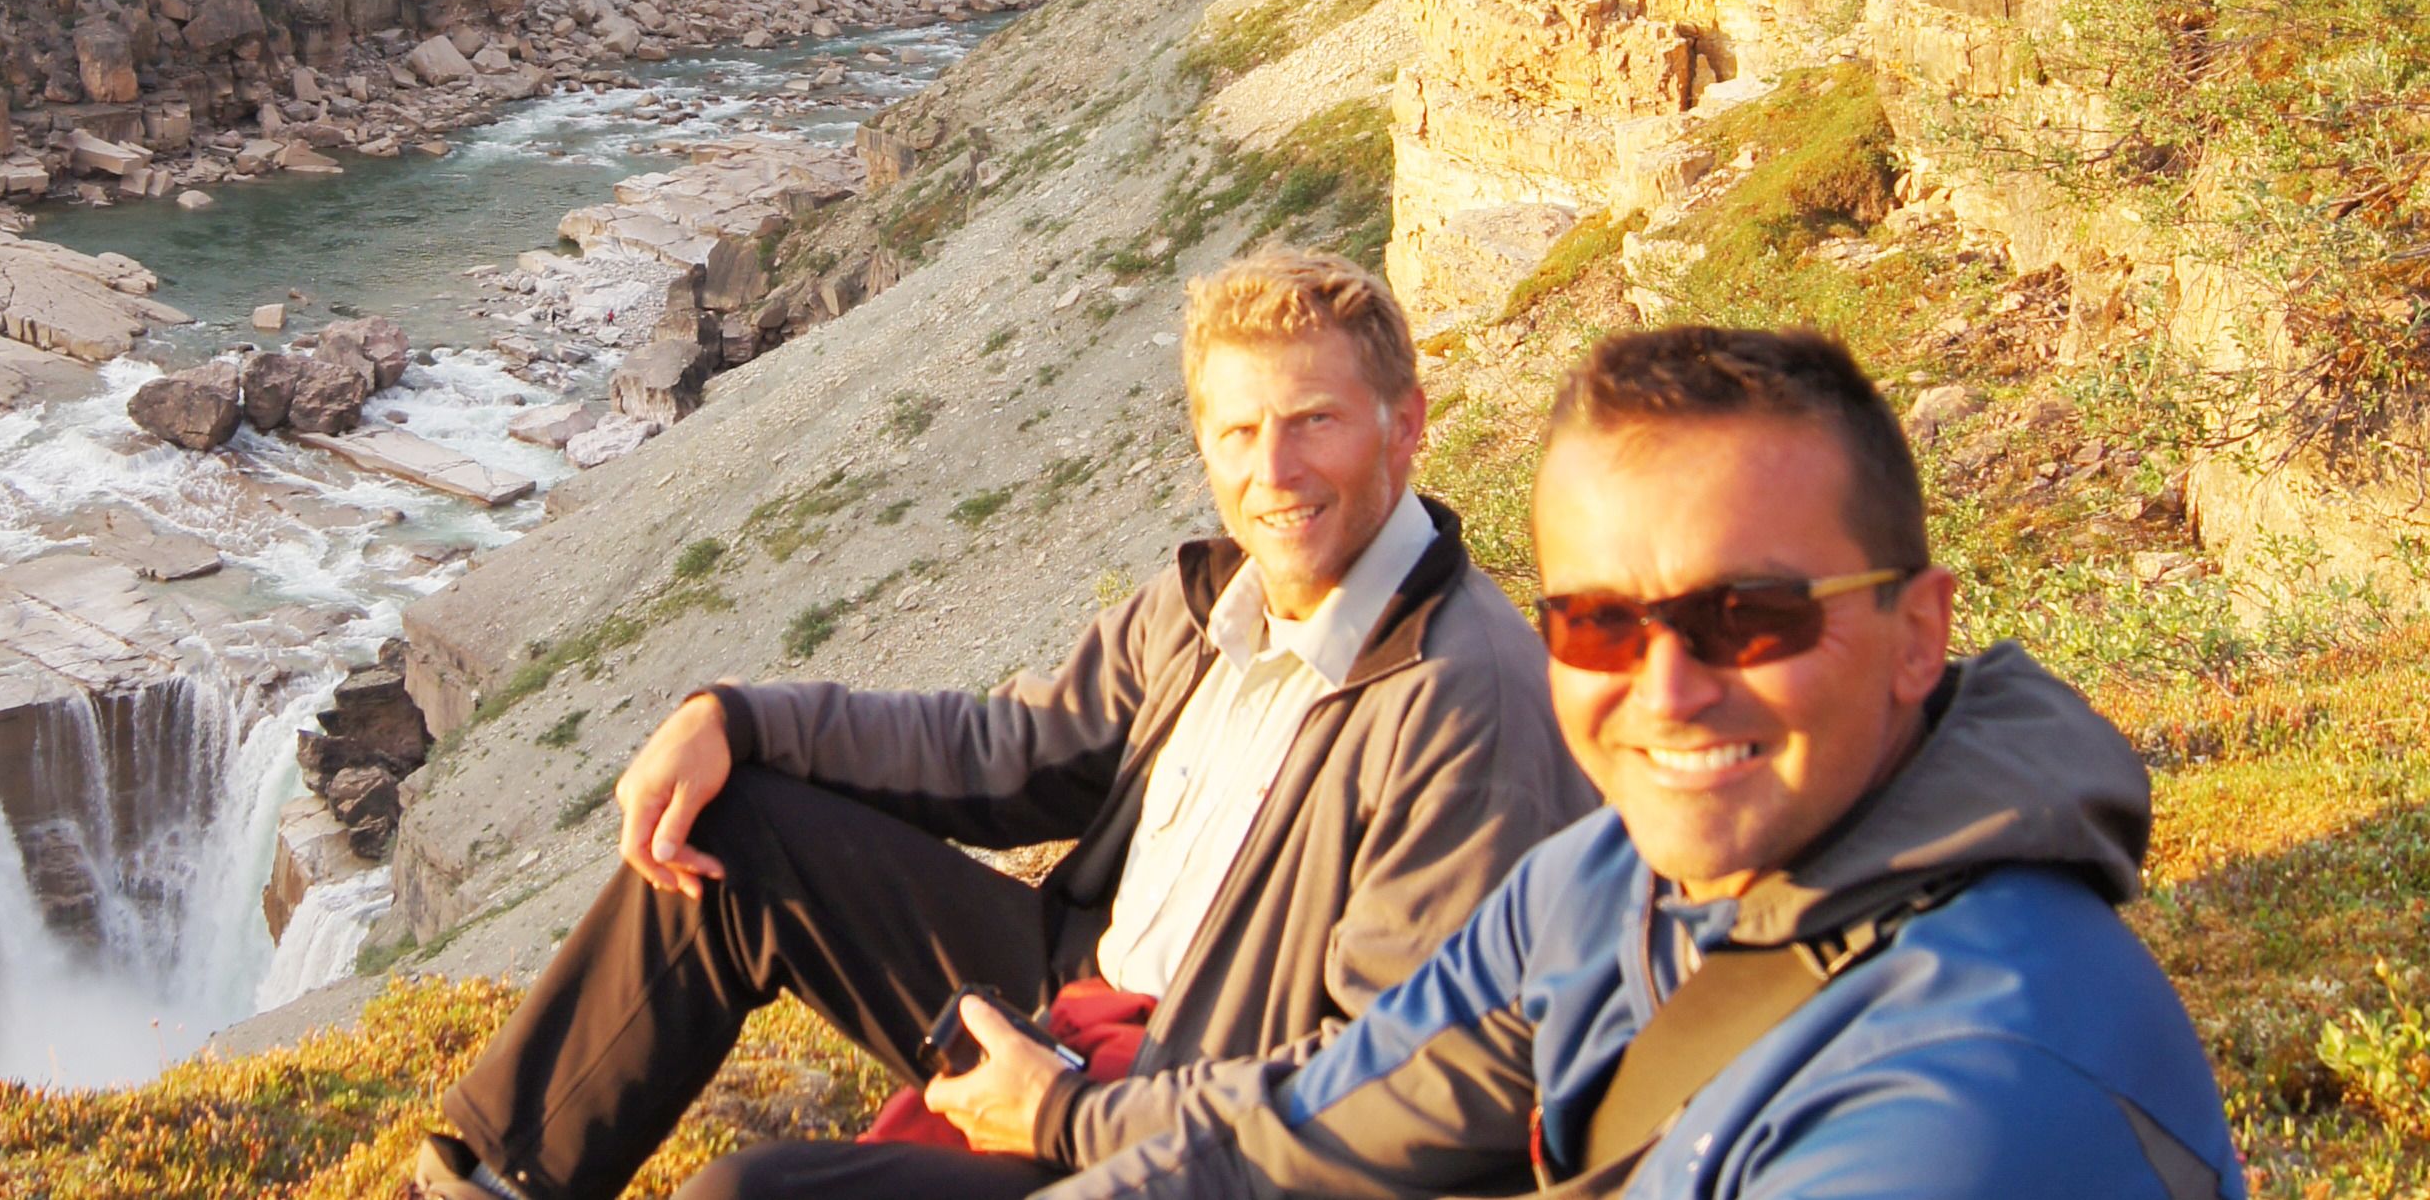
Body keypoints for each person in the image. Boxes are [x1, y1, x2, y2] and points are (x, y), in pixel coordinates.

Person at [961, 325, 2240, 1200]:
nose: (1668, 692)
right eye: (1600, 624)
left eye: (1753, 617)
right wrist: (1081, 1133)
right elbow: (1320, 1116)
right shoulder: (1599, 887)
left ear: (1918, 636)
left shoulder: (1973, 1098)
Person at [414, 253, 1592, 1200]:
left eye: (1315, 421)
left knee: (748, 1191)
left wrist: (1069, 1114)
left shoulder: (1459, 700)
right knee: (739, 845)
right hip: (1080, 995)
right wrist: (736, 716)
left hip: (1188, 1104)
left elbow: (1400, 1089)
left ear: (1405, 426)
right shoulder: (1212, 604)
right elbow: (1002, 756)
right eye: (1238, 433)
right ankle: (484, 1184)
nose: (1272, 471)